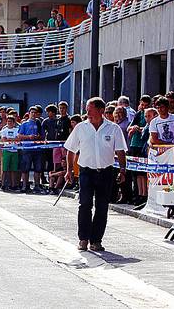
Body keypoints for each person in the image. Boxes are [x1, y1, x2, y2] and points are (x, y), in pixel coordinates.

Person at [64, 97, 127, 252]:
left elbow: (120, 151)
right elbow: (71, 150)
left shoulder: (113, 128)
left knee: (102, 207)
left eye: (90, 109)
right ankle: (83, 239)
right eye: (87, 109)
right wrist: (69, 170)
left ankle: (96, 240)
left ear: (100, 111)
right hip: (86, 171)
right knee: (84, 204)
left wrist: (123, 170)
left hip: (105, 172)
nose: (87, 113)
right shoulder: (81, 127)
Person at [18, 107, 44, 194]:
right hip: (27, 148)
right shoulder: (24, 124)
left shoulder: (39, 123)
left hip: (37, 149)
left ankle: (37, 185)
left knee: (38, 168)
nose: (33, 114)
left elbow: (42, 136)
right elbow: (19, 136)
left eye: (35, 113)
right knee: (25, 168)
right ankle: (25, 186)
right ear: (29, 113)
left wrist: (37, 137)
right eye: (32, 112)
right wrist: (28, 137)